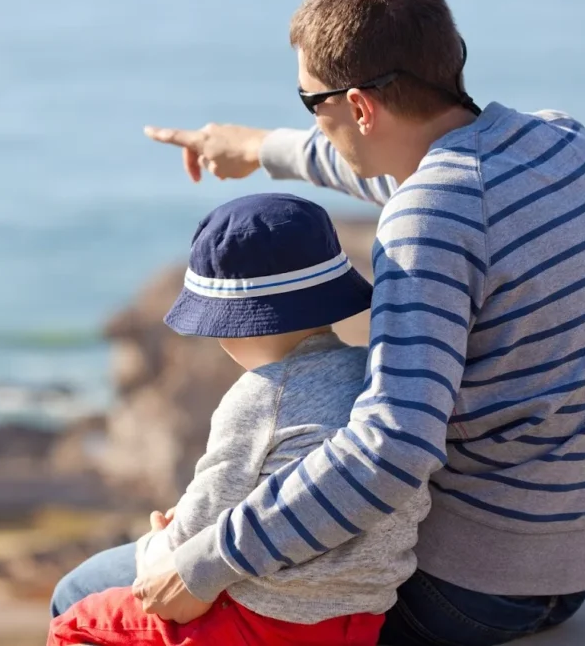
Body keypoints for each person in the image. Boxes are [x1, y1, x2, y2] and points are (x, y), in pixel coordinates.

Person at [53, 0, 585, 644]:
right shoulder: (559, 143)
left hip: (468, 587)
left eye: (312, 102)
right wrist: (256, 148)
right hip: (569, 569)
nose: (314, 117)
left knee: (83, 592)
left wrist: (203, 561)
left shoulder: (426, 218)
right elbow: (409, 167)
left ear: (362, 106)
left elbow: (392, 446)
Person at [48, 193, 427, 646]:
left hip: (263, 621)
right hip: (359, 620)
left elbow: (199, 525)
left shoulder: (261, 395)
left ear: (232, 327)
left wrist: (155, 545)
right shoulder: (376, 376)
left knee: (76, 619)